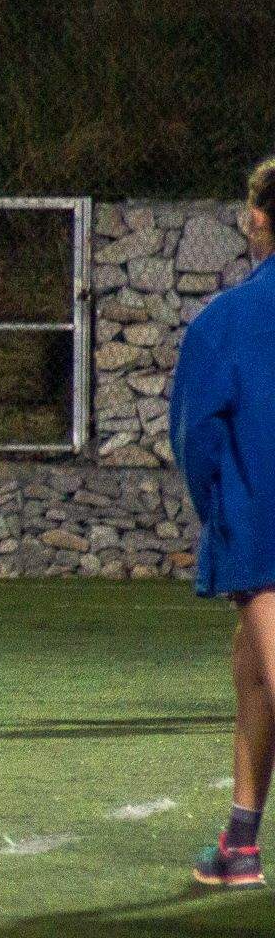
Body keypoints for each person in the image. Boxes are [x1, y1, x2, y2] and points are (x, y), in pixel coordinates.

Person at [171, 154, 275, 888]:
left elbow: (196, 437)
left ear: (258, 219)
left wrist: (224, 513)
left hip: (261, 524)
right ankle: (240, 840)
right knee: (254, 672)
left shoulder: (226, 320)